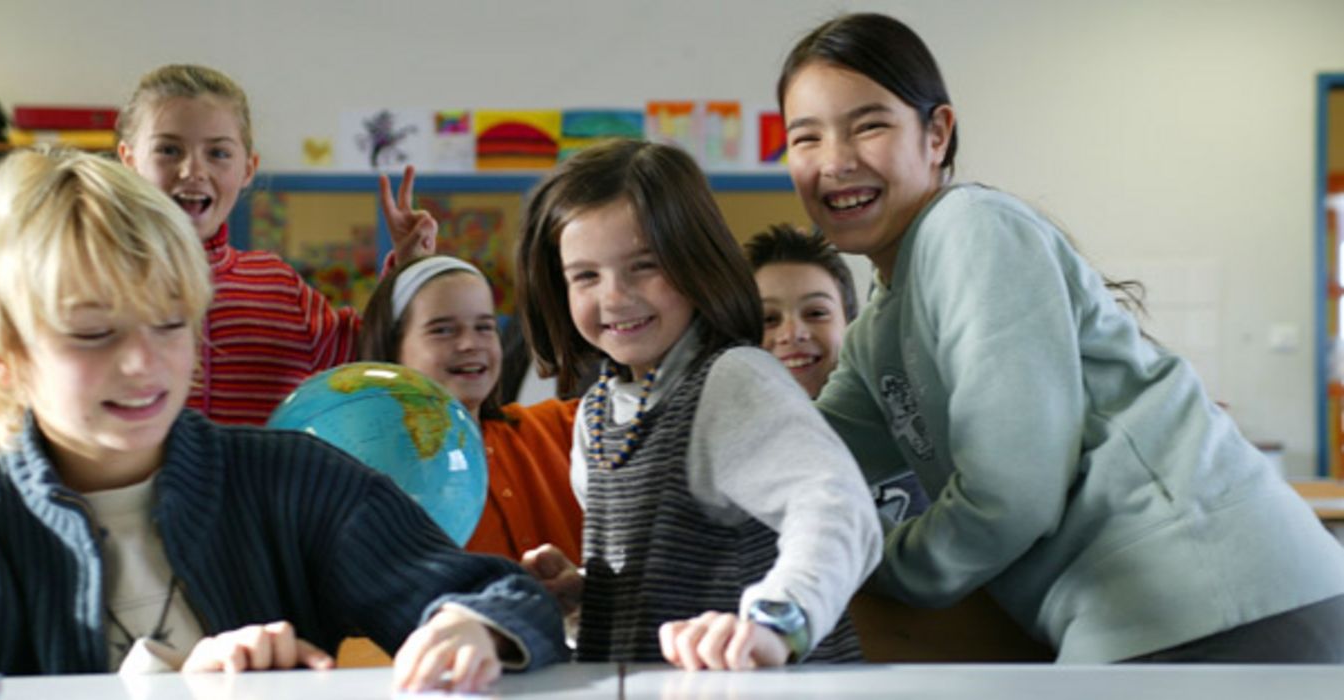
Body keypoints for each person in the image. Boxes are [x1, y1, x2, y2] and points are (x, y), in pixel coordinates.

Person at [780, 12, 1344, 663]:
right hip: (1144, 614)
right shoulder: (880, 321)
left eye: (868, 125)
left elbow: (1008, 497)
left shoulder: (969, 228)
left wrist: (868, 557)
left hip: (1215, 599)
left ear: (936, 134)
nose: (835, 162)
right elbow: (808, 455)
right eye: (805, 139)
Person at [0, 148, 565, 691]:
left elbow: (499, 595)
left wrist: (469, 626)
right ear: (3, 357)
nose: (142, 362)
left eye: (169, 323)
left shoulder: (291, 478)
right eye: (93, 332)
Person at [514, 139, 881, 670]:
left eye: (643, 265)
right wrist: (590, 594)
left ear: (695, 260)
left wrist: (774, 625)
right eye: (586, 276)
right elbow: (677, 575)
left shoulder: (731, 380)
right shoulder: (597, 415)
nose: (614, 297)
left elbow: (837, 508)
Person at [115, 63, 436, 425]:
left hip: (258, 483)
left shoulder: (277, 286)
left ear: (248, 169)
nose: (193, 170)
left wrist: (411, 269)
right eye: (169, 150)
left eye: (218, 153)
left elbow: (374, 358)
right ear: (128, 162)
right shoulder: (95, 279)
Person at [359, 255, 583, 564]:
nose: (470, 344)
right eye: (443, 330)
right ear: (393, 346)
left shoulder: (563, 427)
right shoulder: (377, 471)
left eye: (485, 327)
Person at [744, 224, 927, 523]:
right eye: (769, 319)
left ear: (851, 327)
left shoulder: (906, 434)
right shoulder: (734, 455)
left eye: (816, 313)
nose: (792, 334)